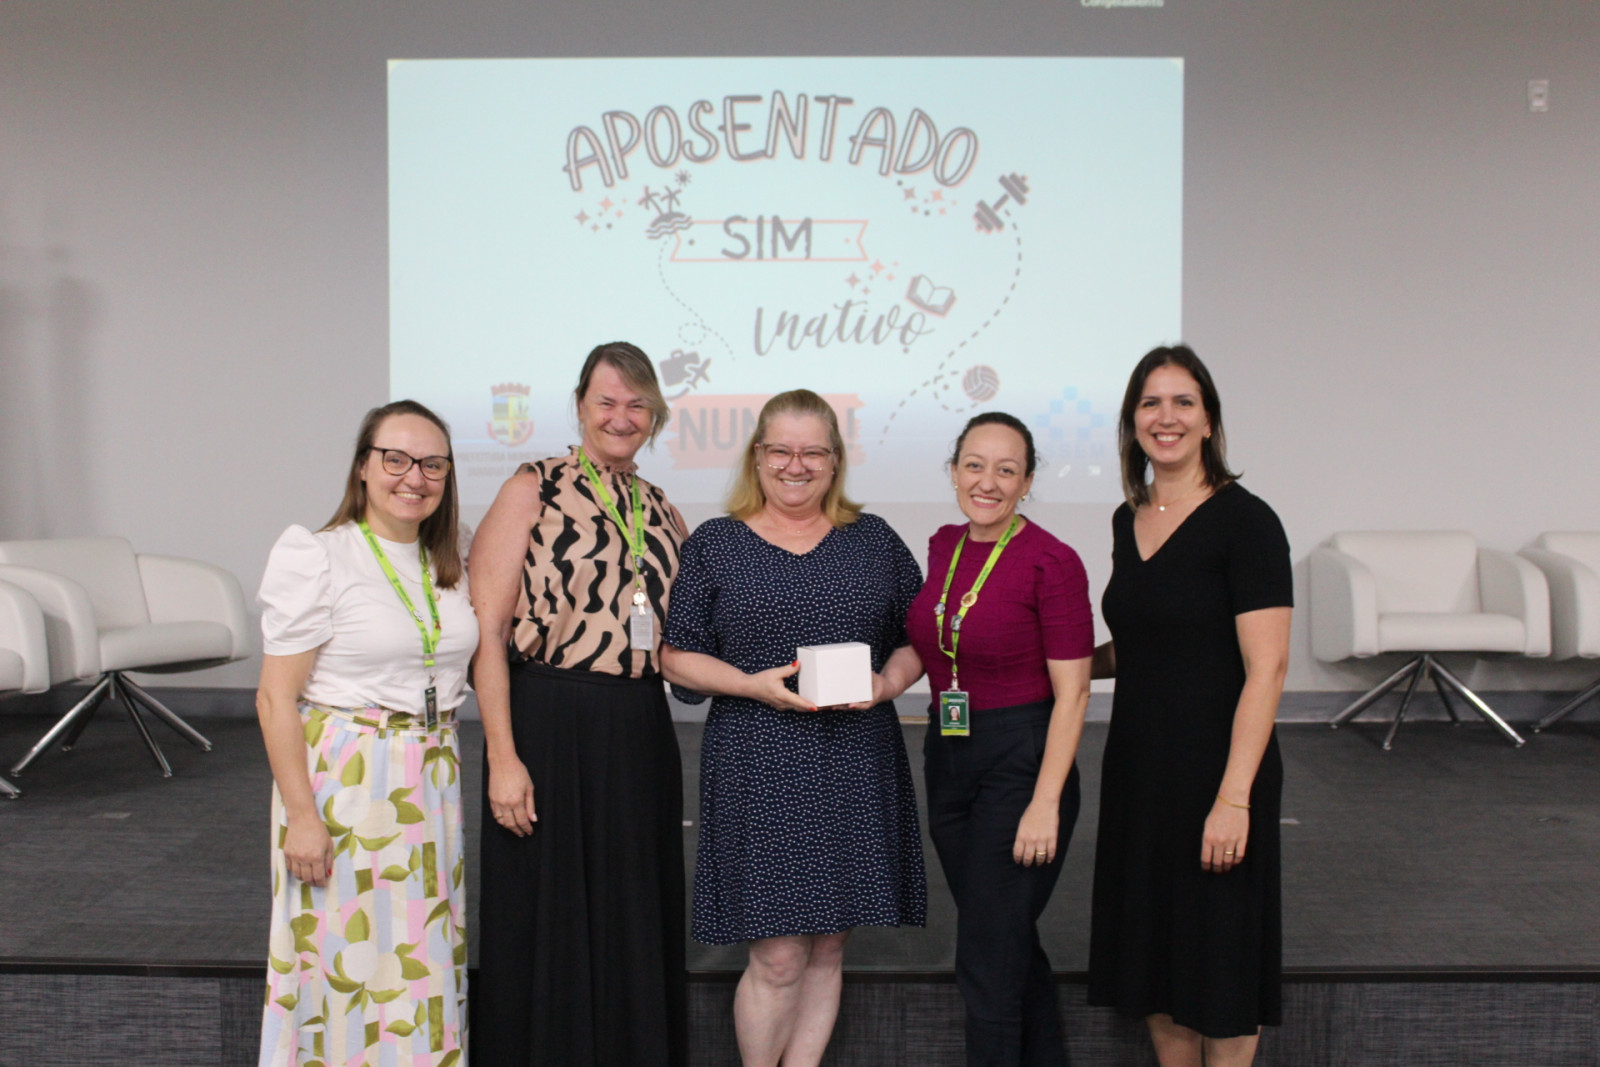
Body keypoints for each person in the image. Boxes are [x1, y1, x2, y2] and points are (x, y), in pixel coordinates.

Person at [660, 389, 927, 1067]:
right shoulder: (717, 543)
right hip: (759, 759)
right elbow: (675, 655)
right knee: (778, 955)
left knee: (830, 944)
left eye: (813, 451)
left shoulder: (874, 540)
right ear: (757, 455)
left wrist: (887, 684)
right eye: (780, 449)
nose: (795, 464)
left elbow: (919, 637)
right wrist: (751, 683)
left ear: (836, 460)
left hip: (855, 756)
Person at [469, 342, 689, 1066]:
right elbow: (487, 633)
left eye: (637, 404)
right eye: (607, 401)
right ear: (580, 406)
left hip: (639, 725)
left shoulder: (662, 508)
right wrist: (503, 757)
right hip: (547, 722)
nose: (622, 417)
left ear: (654, 414)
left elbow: (688, 634)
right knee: (547, 909)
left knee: (633, 905)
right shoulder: (533, 487)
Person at [1087, 345, 1293, 1067]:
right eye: (1150, 402)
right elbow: (1144, 642)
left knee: (1220, 958)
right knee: (1156, 954)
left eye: (1183, 402)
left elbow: (1267, 667)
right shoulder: (1129, 517)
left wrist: (1234, 798)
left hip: (1218, 769)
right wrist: (1061, 668)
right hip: (1140, 768)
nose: (1165, 417)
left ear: (1208, 420)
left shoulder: (1247, 521)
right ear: (1132, 420)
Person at [255, 399, 478, 1067]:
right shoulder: (320, 554)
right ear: (362, 467)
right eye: (396, 459)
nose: (414, 477)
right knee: (342, 960)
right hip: (346, 779)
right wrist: (302, 816)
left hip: (431, 773)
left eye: (432, 463)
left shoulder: (452, 557)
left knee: (419, 954)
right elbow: (274, 698)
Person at [904, 412, 1094, 1067]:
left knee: (985, 955)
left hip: (1022, 759)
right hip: (949, 752)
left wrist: (1044, 802)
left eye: (1006, 470)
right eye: (974, 465)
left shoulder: (1052, 561)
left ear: (1027, 481)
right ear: (954, 471)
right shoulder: (944, 545)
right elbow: (933, 643)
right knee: (1004, 936)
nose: (987, 482)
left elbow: (1075, 692)